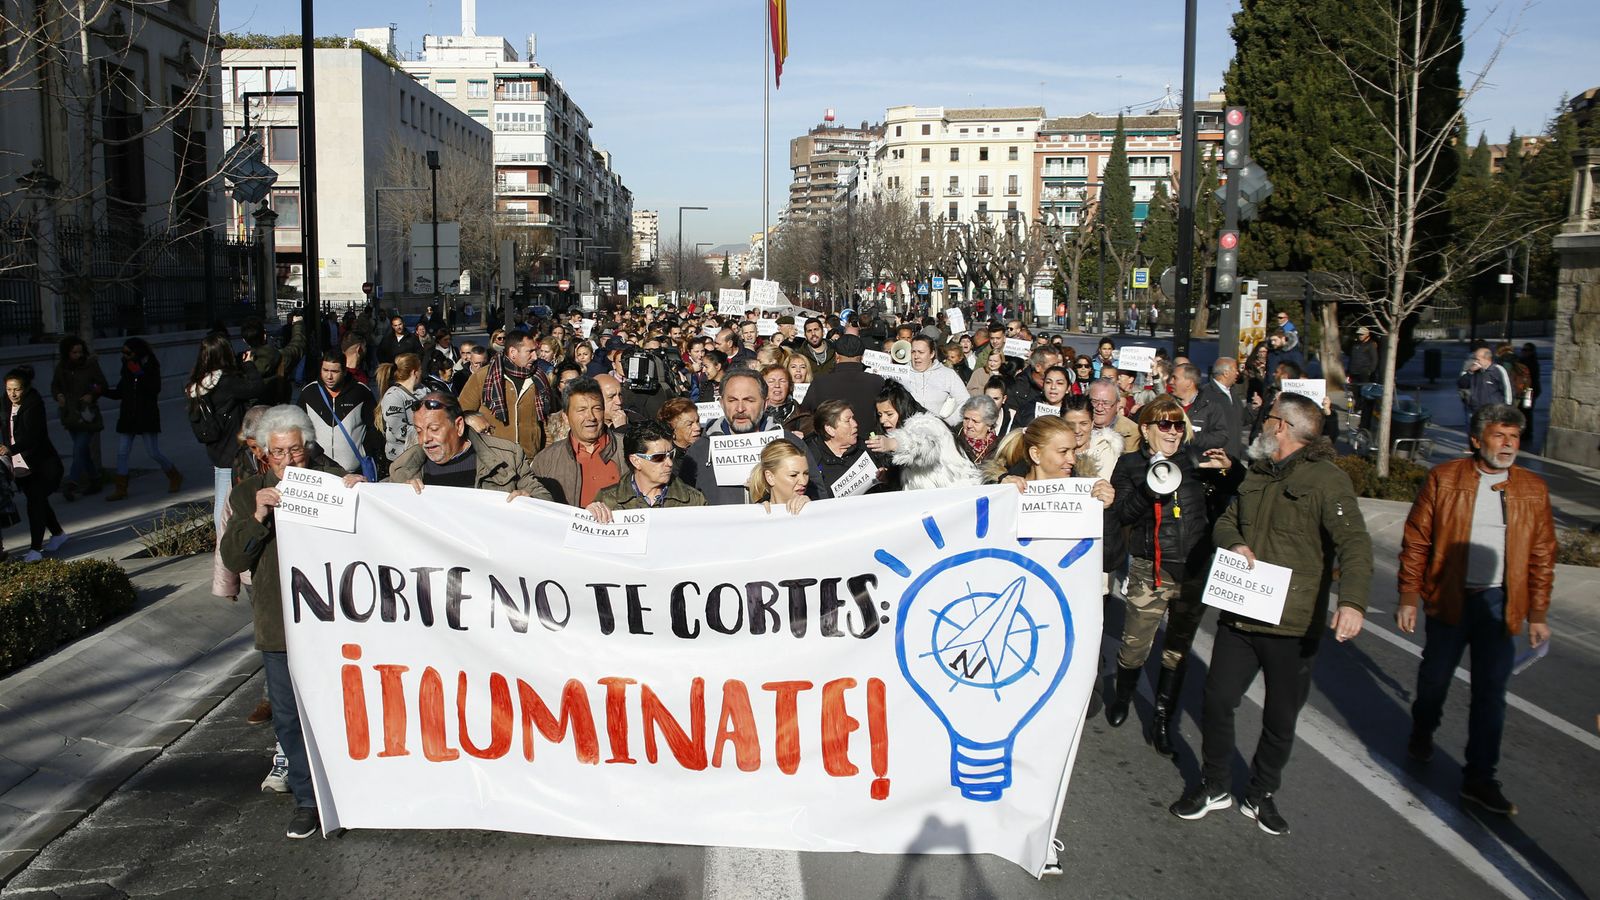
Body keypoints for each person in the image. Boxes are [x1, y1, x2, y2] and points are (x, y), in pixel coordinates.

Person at [1172, 393, 1373, 836]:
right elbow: (1226, 520)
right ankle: (1215, 783)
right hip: (1241, 614)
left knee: (1280, 718)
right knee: (1217, 700)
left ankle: (1261, 792)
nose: (1261, 424)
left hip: (1292, 624)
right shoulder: (1258, 472)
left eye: (1267, 418)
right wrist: (1235, 543)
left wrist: (1352, 603)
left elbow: (1354, 544)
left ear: (1281, 427)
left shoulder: (1327, 481)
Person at [1397, 404, 1554, 816]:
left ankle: (1480, 778)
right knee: (1434, 681)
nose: (1508, 446)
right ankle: (1423, 728)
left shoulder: (1532, 489)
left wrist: (1537, 613)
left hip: (1499, 603)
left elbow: (1542, 553)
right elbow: (1417, 541)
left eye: (1514, 438)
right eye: (1499, 436)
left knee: (1491, 693)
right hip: (1449, 598)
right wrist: (1409, 598)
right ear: (1475, 440)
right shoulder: (1444, 480)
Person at [219, 404, 357, 840]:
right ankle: (306, 799)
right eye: (279, 453)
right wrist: (258, 517)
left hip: (334, 622)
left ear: (307, 448)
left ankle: (353, 793)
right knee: (288, 716)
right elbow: (233, 557)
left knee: (341, 708)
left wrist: (359, 493)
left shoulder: (332, 482)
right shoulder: (247, 494)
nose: (289, 460)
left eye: (296, 450)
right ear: (264, 454)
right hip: (279, 626)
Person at [1106, 395, 1236, 755]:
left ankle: (1162, 717)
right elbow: (1123, 514)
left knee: (1177, 649)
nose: (1173, 431)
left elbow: (1231, 497)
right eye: (1165, 424)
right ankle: (1123, 696)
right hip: (1151, 567)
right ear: (1146, 429)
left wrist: (1231, 470)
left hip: (1193, 569)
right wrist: (1152, 485)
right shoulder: (1130, 464)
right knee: (1135, 645)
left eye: (1178, 424)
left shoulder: (1194, 460)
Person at [387, 391, 551, 498]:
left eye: (434, 429)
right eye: (419, 430)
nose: (425, 439)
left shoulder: (508, 456)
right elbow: (375, 502)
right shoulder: (404, 468)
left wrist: (529, 500)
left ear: (458, 426)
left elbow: (544, 498)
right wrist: (361, 486)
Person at [187, 333, 267, 533]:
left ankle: (223, 541)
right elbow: (256, 388)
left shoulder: (198, 384)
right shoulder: (226, 382)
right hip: (232, 449)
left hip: (215, 447)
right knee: (226, 503)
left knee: (222, 497)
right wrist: (248, 365)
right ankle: (224, 546)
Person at [683, 370, 802, 505]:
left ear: (765, 403)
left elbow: (818, 495)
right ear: (722, 404)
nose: (740, 409)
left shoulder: (790, 445)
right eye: (732, 400)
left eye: (749, 400)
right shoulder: (700, 450)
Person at [101, 338, 182, 501]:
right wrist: (101, 391)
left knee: (153, 451)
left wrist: (140, 374)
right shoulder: (126, 367)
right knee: (122, 452)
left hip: (146, 415)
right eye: (123, 353)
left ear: (137, 352)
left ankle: (174, 475)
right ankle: (121, 488)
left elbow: (154, 389)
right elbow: (120, 392)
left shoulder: (150, 365)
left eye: (128, 353)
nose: (125, 356)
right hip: (128, 415)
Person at [2, 366, 68, 560]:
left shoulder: (34, 404)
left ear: (26, 388)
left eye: (17, 389)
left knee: (35, 503)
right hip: (21, 464)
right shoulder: (5, 402)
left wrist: (10, 449)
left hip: (43, 465)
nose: (12, 394)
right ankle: (58, 534)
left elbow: (33, 436)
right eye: (8, 389)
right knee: (38, 501)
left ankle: (35, 549)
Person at [530, 378, 628, 507]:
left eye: (597, 408)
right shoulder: (546, 460)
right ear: (566, 417)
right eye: (581, 410)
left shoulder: (628, 450)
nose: (591, 417)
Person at [585, 420, 706, 520]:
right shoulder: (607, 500)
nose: (669, 463)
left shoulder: (694, 501)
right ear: (636, 461)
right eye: (659, 457)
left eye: (670, 454)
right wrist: (589, 517)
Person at [458, 331, 550, 459]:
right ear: (513, 353)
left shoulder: (540, 379)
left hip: (530, 461)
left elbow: (548, 422)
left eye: (536, 351)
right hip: (494, 461)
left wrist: (545, 457)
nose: (535, 357)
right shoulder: (484, 377)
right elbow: (460, 413)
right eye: (530, 351)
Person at [299, 351, 382, 477]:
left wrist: (368, 453)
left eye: (335, 372)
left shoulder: (361, 392)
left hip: (353, 472)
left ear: (344, 371)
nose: (329, 376)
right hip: (319, 470)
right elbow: (297, 429)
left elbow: (375, 427)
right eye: (325, 370)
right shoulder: (309, 392)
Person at [51, 335, 108, 498]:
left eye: (80, 352)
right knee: (81, 451)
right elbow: (55, 386)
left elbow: (101, 385)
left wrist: (92, 394)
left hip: (86, 414)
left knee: (79, 448)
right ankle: (95, 479)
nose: (78, 355)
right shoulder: (62, 367)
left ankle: (72, 482)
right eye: (74, 352)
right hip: (70, 413)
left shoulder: (90, 365)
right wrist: (59, 395)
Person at [799, 335, 884, 439]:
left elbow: (804, 415)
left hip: (829, 445)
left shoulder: (820, 382)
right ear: (862, 357)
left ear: (836, 356)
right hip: (870, 444)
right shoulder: (877, 382)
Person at [1172, 361, 1242, 461]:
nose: (1171, 382)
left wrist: (1190, 437)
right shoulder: (1168, 404)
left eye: (1175, 378)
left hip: (1198, 466)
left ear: (1189, 383)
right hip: (1170, 465)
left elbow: (1221, 436)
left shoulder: (1210, 406)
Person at [803, 399, 871, 498]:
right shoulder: (808, 456)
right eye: (848, 420)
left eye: (853, 418)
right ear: (830, 429)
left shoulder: (867, 448)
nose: (855, 424)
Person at [1062, 393, 1122, 485]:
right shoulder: (1052, 453)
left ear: (1092, 423)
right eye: (1071, 424)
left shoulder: (1107, 451)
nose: (1077, 430)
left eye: (1083, 424)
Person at [376, 353, 425, 461]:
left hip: (422, 453)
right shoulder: (394, 396)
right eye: (420, 369)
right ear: (414, 372)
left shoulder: (423, 390)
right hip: (402, 458)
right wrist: (430, 432)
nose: (422, 372)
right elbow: (400, 431)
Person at [745, 439, 810, 515]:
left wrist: (813, 508)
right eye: (793, 475)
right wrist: (759, 514)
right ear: (770, 477)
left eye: (806, 473)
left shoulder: (817, 508)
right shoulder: (753, 515)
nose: (803, 482)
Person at [1457, 346, 1512, 420]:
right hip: (1475, 410)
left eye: (1478, 359)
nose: (1475, 362)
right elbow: (1462, 384)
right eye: (1474, 359)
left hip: (1494, 411)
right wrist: (1470, 372)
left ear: (1487, 359)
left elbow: (1507, 390)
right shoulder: (1472, 369)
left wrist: (1506, 408)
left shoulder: (1498, 370)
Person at [955, 395, 1002, 466]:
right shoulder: (953, 438)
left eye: (975, 421)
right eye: (966, 419)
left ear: (989, 424)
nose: (969, 425)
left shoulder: (999, 447)